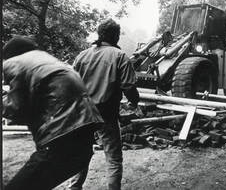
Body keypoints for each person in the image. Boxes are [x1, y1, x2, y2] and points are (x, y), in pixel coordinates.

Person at [2, 36, 103, 190]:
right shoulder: (54, 63)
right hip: (84, 143)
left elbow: (16, 110)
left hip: (60, 141)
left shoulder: (15, 63)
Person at [69, 18, 142, 190]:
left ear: (99, 35)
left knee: (80, 154)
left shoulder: (82, 55)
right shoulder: (120, 56)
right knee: (113, 157)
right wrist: (134, 102)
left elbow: (70, 84)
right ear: (116, 36)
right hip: (106, 114)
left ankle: (73, 188)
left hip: (83, 113)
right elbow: (129, 86)